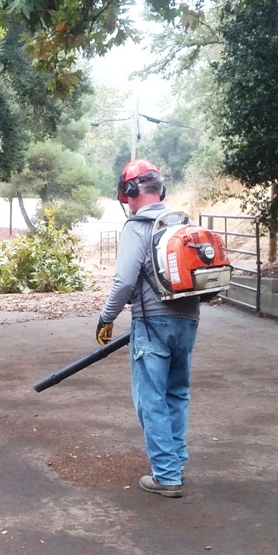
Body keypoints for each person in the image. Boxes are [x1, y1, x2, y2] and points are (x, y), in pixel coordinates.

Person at [96, 159, 201, 499]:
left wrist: (106, 317)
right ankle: (175, 465)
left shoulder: (138, 227)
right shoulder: (181, 224)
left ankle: (167, 476)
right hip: (188, 319)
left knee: (151, 399)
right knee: (176, 393)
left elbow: (125, 281)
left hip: (152, 322)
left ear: (130, 191)